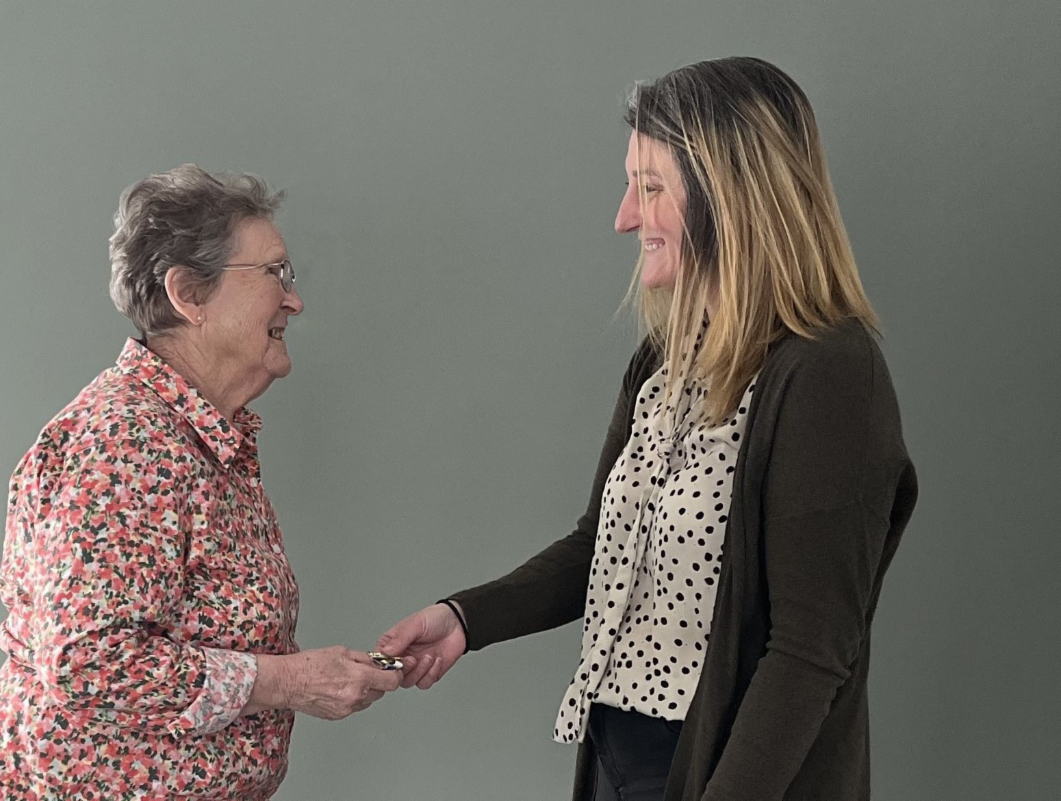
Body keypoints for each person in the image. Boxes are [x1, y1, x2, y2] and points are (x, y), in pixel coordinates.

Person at [378, 57, 918, 801]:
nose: (625, 217)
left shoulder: (829, 373)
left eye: (651, 187)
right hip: (619, 759)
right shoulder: (667, 359)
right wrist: (466, 619)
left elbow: (809, 652)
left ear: (730, 196)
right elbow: (600, 546)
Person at [0, 165, 401, 801]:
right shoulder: (125, 442)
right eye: (275, 273)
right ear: (190, 293)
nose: (293, 300)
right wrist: (292, 682)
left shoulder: (199, 437)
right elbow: (90, 661)